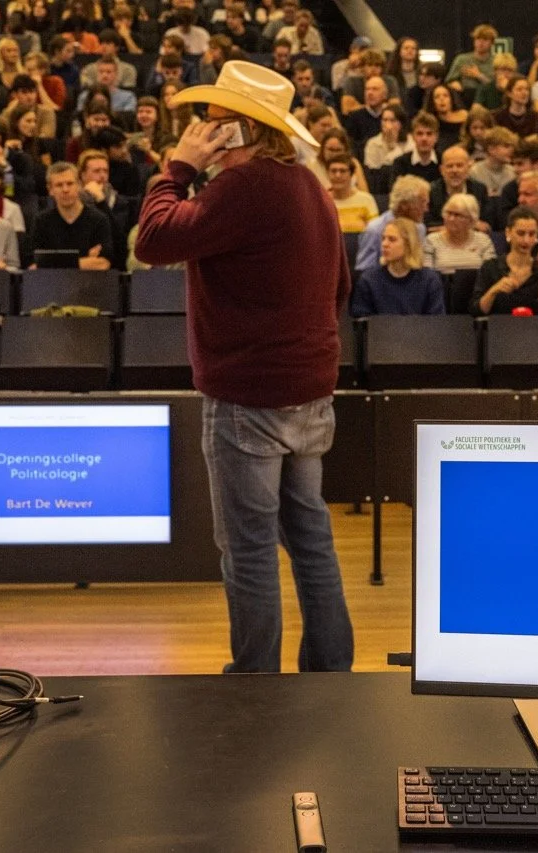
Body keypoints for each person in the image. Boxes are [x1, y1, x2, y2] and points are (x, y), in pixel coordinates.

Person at [133, 60, 353, 674]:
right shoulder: (309, 185)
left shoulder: (243, 187)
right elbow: (340, 287)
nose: (202, 129)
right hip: (310, 391)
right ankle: (330, 672)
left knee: (249, 548)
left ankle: (255, 679)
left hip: (249, 397)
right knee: (310, 539)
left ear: (242, 129)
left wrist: (178, 169)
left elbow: (152, 240)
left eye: (214, 120)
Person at [470, 206, 538, 315]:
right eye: (521, 233)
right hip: (499, 325)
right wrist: (494, 291)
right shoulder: (490, 267)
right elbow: (477, 311)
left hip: (535, 325)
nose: (526, 240)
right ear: (508, 233)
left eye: (532, 234)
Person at [350, 217, 445, 316]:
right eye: (383, 238)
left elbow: (436, 321)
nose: (384, 244)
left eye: (392, 239)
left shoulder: (429, 280)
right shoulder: (369, 280)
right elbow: (361, 320)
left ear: (409, 244)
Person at [32, 161, 115, 269]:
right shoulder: (41, 221)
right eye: (59, 185)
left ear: (79, 185)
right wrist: (86, 261)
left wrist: (52, 263)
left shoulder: (99, 219)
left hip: (88, 280)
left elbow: (103, 264)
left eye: (70, 184)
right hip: (52, 280)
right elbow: (34, 266)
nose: (65, 190)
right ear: (50, 190)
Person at [355, 174, 429, 272]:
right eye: (422, 203)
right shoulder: (374, 230)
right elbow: (364, 270)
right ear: (404, 205)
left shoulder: (420, 228)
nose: (426, 209)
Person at [424, 193, 496, 274]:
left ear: (471, 220)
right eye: (449, 213)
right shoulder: (431, 241)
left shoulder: (483, 240)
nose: (451, 219)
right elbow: (427, 275)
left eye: (458, 215)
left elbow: (490, 273)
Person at [427, 145, 488, 229]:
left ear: (468, 168)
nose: (454, 170)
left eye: (459, 165)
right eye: (449, 166)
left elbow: (485, 225)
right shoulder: (431, 191)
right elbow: (428, 225)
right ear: (441, 170)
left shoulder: (480, 190)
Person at [325, 155, 378, 234]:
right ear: (327, 174)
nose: (337, 175)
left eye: (343, 171)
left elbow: (375, 233)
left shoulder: (366, 200)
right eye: (333, 171)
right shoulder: (321, 201)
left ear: (352, 174)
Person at [390, 112, 441, 184]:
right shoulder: (400, 163)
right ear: (413, 136)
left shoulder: (443, 162)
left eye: (429, 134)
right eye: (419, 134)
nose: (424, 138)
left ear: (436, 137)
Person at [446, 24, 497, 95]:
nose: (481, 42)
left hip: (488, 95)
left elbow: (497, 87)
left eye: (485, 39)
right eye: (478, 39)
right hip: (465, 95)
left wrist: (479, 75)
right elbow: (449, 81)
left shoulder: (496, 61)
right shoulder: (462, 59)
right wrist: (455, 84)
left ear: (492, 42)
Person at [363, 105, 411, 170]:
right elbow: (371, 170)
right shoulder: (373, 143)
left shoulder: (410, 141)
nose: (388, 124)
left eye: (392, 120)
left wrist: (394, 145)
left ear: (400, 124)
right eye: (385, 120)